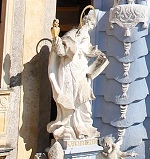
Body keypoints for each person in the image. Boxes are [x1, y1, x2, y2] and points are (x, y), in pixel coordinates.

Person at [47, 8, 109, 141]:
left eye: (92, 26)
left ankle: (83, 127)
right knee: (69, 97)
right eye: (90, 25)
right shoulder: (72, 34)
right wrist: (56, 38)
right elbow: (61, 51)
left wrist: (97, 55)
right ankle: (68, 128)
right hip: (69, 70)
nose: (91, 28)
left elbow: (88, 50)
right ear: (85, 22)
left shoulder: (86, 37)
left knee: (84, 101)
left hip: (81, 72)